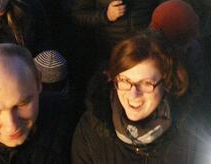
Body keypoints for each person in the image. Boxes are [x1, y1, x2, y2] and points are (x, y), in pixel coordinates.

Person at [70, 32, 200, 163]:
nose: (133, 94)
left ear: (166, 83)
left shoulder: (192, 135)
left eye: (146, 83)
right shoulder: (91, 130)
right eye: (125, 81)